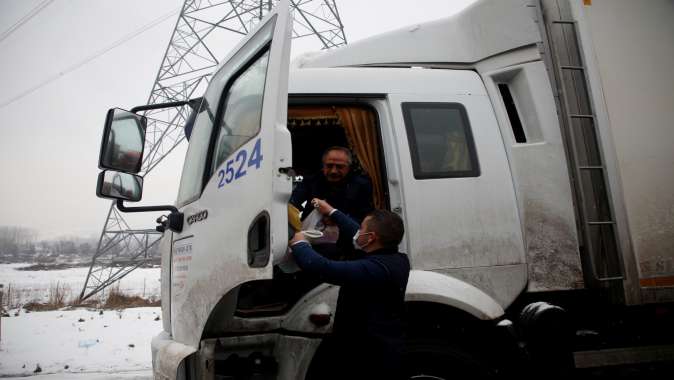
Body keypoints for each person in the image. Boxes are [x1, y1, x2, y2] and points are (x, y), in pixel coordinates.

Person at [289, 199, 410, 380]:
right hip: (372, 345)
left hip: (369, 357)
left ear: (371, 238)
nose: (357, 232)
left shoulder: (375, 269)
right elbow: (354, 230)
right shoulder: (395, 258)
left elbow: (322, 267)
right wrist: (331, 210)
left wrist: (300, 243)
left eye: (362, 228)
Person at [289, 146, 374, 225]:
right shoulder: (311, 181)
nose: (333, 171)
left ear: (348, 168)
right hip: (311, 234)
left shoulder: (361, 185)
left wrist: (338, 218)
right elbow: (293, 204)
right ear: (323, 166)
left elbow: (365, 217)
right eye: (329, 166)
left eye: (340, 167)